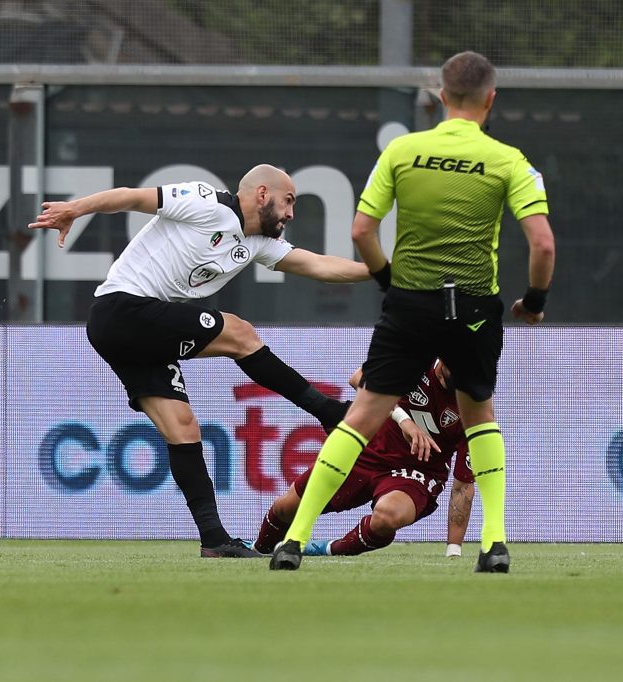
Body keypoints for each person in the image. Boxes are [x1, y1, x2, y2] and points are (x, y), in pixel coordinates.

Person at [271, 51, 556, 573]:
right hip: (472, 307)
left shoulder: (403, 151)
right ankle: (494, 545)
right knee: (480, 420)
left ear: (440, 98)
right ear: (490, 100)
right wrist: (532, 302)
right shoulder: (510, 160)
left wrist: (388, 283)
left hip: (411, 302)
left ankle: (294, 540)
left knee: (359, 419)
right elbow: (542, 244)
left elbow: (361, 231)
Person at [28, 164, 371, 558]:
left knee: (183, 427)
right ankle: (328, 411)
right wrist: (75, 209)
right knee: (239, 333)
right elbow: (130, 195)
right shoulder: (205, 201)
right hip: (122, 310)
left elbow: (320, 266)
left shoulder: (257, 243)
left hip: (135, 333)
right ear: (263, 194)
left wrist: (380, 272)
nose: (292, 213)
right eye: (288, 201)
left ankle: (214, 540)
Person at [253, 360, 476, 558]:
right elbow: (358, 378)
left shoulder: (475, 405)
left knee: (387, 516)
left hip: (417, 473)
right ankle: (257, 550)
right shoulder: (416, 359)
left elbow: (463, 488)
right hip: (367, 452)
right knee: (285, 507)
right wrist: (403, 419)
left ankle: (330, 549)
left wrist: (453, 550)